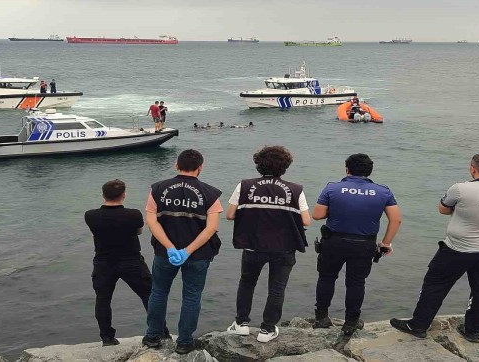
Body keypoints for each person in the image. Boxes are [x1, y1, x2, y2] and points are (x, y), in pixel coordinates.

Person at [390, 153, 479, 343]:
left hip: (458, 248)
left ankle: (419, 325)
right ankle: (473, 330)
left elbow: (443, 209)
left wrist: (463, 209)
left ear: (473, 168)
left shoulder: (460, 189)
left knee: (435, 284)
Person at [226, 146, 311, 343]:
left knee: (247, 282)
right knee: (277, 288)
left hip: (253, 244)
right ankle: (267, 329)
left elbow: (230, 215)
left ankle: (241, 323)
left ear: (259, 164)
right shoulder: (295, 189)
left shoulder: (245, 185)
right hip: (284, 246)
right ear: (285, 166)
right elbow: (306, 221)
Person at [142, 149, 223, 355]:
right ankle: (185, 342)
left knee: (159, 292)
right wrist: (187, 251)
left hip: (164, 253)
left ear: (176, 165)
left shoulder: (157, 189)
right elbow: (211, 228)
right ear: (200, 167)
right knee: (191, 296)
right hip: (198, 255)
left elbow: (151, 221)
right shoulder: (211, 193)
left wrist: (170, 247)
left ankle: (153, 336)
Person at [312, 153, 402, 336]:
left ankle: (321, 318)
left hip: (334, 242)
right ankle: (351, 322)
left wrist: (338, 210)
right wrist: (385, 243)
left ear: (347, 169)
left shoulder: (332, 188)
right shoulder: (383, 191)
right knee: (356, 282)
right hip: (364, 244)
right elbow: (396, 220)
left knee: (326, 278)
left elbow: (317, 215)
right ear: (369, 171)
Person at [84, 180, 167, 346]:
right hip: (131, 261)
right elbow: (139, 231)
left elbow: (94, 233)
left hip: (103, 262)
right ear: (124, 195)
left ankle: (107, 337)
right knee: (149, 295)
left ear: (103, 195)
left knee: (103, 300)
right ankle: (160, 332)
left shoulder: (90, 215)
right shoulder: (133, 214)